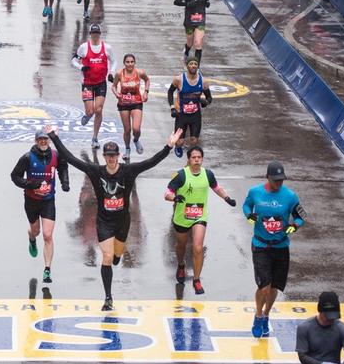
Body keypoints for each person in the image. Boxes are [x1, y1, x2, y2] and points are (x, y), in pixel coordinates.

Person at [48, 126, 183, 310]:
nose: (111, 159)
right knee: (107, 256)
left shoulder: (128, 171)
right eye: (108, 156)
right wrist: (53, 136)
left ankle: (119, 255)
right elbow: (71, 158)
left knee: (117, 254)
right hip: (104, 221)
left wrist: (169, 146)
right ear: (104, 157)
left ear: (118, 155)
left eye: (114, 155)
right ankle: (108, 298)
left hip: (122, 221)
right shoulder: (95, 171)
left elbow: (151, 162)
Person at [243, 161, 306, 338]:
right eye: (275, 180)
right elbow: (246, 206)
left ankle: (267, 314)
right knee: (264, 286)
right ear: (267, 177)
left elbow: (301, 216)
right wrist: (249, 216)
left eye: (281, 180)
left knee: (274, 287)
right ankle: (257, 315)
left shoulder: (290, 196)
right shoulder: (255, 192)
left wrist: (295, 226)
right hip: (261, 245)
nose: (279, 183)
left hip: (281, 246)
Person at [164, 146, 238, 294]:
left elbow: (216, 187)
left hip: (199, 216)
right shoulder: (180, 175)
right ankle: (181, 265)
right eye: (193, 157)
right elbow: (167, 193)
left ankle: (197, 280)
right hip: (182, 217)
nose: (197, 160)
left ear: (202, 159)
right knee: (181, 245)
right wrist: (175, 197)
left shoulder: (208, 174)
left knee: (198, 247)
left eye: (199, 157)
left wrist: (227, 198)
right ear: (189, 159)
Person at [10, 128, 69, 284]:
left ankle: (47, 270)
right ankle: (31, 238)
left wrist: (65, 182)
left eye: (45, 139)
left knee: (48, 235)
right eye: (40, 139)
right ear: (36, 141)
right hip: (31, 201)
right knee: (36, 231)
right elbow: (14, 176)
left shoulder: (55, 156)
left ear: (48, 141)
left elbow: (63, 167)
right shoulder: (28, 157)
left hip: (48, 201)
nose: (43, 141)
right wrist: (29, 184)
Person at [296, 291, 344, 364]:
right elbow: (302, 356)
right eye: (329, 316)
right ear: (320, 311)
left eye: (334, 316)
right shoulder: (304, 328)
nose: (332, 319)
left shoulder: (342, 328)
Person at [72, 23, 117, 147]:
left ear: (100, 34)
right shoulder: (83, 47)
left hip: (101, 83)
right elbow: (73, 60)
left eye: (97, 33)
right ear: (90, 34)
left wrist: (111, 72)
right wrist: (81, 67)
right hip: (87, 84)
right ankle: (87, 116)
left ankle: (95, 138)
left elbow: (114, 61)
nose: (95, 36)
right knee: (90, 110)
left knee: (98, 109)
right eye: (93, 33)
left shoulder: (107, 48)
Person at [168, 57, 212, 156]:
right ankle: (177, 147)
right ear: (187, 66)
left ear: (197, 66)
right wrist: (172, 107)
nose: (193, 65)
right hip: (181, 114)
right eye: (191, 63)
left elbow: (209, 97)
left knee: (194, 141)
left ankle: (190, 159)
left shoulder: (203, 81)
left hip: (195, 115)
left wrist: (206, 102)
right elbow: (170, 92)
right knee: (180, 142)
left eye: (195, 64)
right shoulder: (179, 79)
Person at [111, 53, 150, 161]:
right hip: (123, 103)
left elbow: (147, 80)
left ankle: (136, 140)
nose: (130, 64)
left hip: (137, 102)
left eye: (132, 62)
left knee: (136, 129)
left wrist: (146, 92)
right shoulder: (119, 73)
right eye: (127, 62)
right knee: (127, 130)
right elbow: (113, 86)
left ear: (134, 62)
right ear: (124, 63)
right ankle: (127, 150)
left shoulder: (139, 72)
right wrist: (116, 94)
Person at [174, 0, 210, 64]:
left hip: (200, 21)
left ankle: (197, 67)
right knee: (190, 43)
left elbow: (206, 0)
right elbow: (176, 1)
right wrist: (187, 4)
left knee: (198, 44)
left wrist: (207, 3)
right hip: (189, 22)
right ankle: (186, 52)